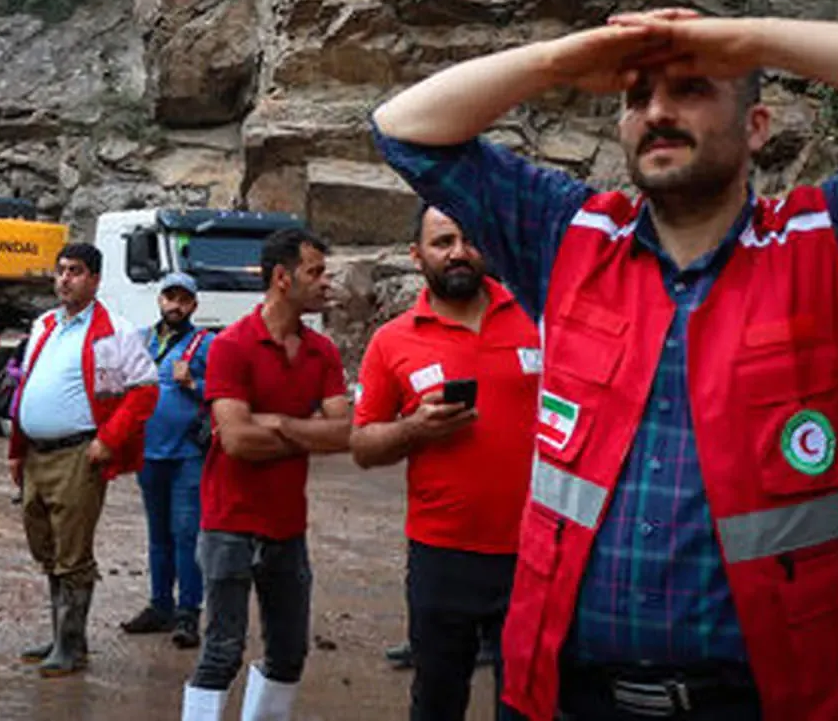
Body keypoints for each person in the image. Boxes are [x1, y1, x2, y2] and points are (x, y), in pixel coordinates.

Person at [371, 11, 838, 720]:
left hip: (785, 700)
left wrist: (752, 41)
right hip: (572, 697)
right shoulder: (569, 242)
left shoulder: (835, 246)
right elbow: (404, 127)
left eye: (691, 89)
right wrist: (565, 59)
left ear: (755, 127)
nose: (657, 111)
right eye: (636, 97)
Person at [351, 205, 540, 721]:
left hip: (536, 553)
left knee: (529, 703)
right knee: (436, 700)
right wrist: (414, 429)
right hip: (442, 555)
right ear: (417, 256)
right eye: (442, 241)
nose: (458, 251)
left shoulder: (537, 316)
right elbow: (363, 445)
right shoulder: (393, 340)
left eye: (469, 238)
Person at [182, 228, 350, 721]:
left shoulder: (323, 352)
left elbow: (344, 433)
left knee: (289, 654)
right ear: (282, 278)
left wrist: (275, 423)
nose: (326, 283)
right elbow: (236, 441)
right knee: (221, 652)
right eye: (315, 272)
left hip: (286, 527)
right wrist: (307, 431)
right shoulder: (232, 346)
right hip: (229, 523)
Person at [10, 244, 159, 677]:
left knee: (73, 552)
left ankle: (70, 646)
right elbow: (25, 388)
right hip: (38, 454)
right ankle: (63, 635)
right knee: (47, 547)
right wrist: (17, 450)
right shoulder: (44, 324)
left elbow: (145, 389)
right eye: (60, 271)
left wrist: (109, 440)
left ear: (95, 279)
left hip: (79, 453)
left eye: (75, 272)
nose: (65, 279)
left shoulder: (114, 330)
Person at [121, 272, 211, 650]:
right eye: (169, 298)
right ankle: (161, 605)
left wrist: (194, 385)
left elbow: (226, 391)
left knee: (187, 535)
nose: (175, 305)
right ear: (159, 300)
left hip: (188, 455)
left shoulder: (205, 344)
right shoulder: (141, 340)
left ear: (193, 305)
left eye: (183, 300)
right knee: (158, 536)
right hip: (149, 452)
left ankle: (188, 612)